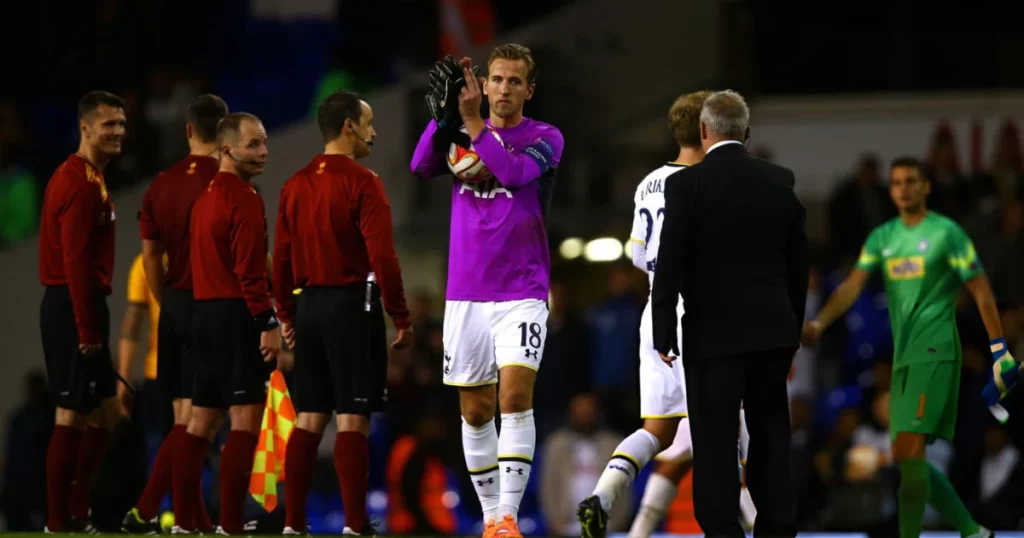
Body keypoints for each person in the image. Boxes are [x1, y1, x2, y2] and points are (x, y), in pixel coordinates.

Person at [576, 90, 754, 538]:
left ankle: (603, 495)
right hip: (702, 312)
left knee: (656, 431)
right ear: (705, 129)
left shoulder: (647, 182)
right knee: (731, 426)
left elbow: (638, 255)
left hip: (655, 312)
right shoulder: (709, 181)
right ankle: (753, 523)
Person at [803, 156, 1005, 538]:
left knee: (909, 452)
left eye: (911, 181)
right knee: (905, 458)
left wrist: (998, 346)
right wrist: (820, 322)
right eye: (896, 183)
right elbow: (852, 286)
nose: (904, 188)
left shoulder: (947, 234)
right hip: (904, 355)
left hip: (937, 350)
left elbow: (979, 289)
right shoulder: (883, 237)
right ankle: (972, 530)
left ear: (926, 187)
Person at [410, 44, 564, 538]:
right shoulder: (460, 130)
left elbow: (513, 173)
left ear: (529, 89)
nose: (502, 89)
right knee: (475, 410)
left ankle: (509, 520)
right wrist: (441, 119)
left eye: (514, 81)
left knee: (515, 395)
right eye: (496, 79)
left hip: (522, 288)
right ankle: (491, 514)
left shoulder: (546, 137)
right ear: (486, 82)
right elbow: (419, 167)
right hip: (466, 291)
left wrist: (475, 123)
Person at [650, 90, 807, 538]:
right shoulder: (780, 181)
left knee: (716, 441)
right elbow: (799, 267)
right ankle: (777, 526)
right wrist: (790, 329)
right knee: (771, 432)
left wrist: (664, 331)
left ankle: (723, 531)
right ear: (748, 133)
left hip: (711, 338)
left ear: (703, 131)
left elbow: (670, 262)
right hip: (771, 335)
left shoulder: (686, 185)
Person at [273, 90, 412, 535]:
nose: (374, 131)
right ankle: (355, 524)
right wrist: (401, 316)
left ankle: (294, 523)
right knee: (353, 417)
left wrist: (288, 317)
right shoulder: (363, 181)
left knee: (310, 415)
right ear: (349, 126)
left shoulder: (294, 184)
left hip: (309, 306)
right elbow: (384, 258)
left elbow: (281, 260)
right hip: (353, 306)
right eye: (368, 122)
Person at [120, 94, 228, 534]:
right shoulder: (226, 180)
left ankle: (189, 518)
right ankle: (149, 509)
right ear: (224, 134)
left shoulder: (159, 184)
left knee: (186, 420)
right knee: (205, 421)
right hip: (214, 305)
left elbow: (149, 257)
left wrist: (167, 300)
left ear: (188, 131)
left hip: (176, 308)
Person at [170, 112, 280, 535]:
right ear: (226, 149)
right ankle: (231, 525)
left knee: (199, 423)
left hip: (203, 316)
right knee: (244, 423)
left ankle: (184, 523)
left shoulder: (206, 197)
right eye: (253, 144)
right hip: (236, 317)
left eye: (265, 141)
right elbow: (250, 274)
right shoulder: (244, 198)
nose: (263, 151)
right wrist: (267, 321)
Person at [38, 90, 126, 533]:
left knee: (107, 413)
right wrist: (87, 325)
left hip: (84, 303)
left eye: (122, 124)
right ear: (85, 128)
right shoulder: (77, 181)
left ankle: (76, 508)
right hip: (72, 305)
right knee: (70, 412)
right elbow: (73, 259)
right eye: (108, 124)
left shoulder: (91, 177)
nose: (118, 132)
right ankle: (60, 522)